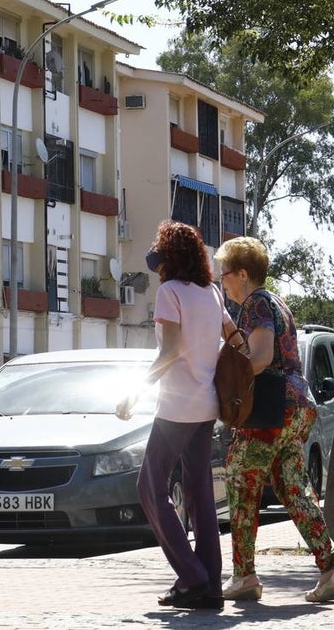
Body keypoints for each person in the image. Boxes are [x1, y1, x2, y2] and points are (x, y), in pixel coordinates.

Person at [213, 236, 334, 603]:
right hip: (297, 407)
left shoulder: (256, 303)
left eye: (224, 274)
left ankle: (244, 575)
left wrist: (227, 380)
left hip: (272, 410)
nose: (221, 282)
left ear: (242, 274)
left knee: (240, 478)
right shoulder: (276, 302)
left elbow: (260, 358)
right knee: (293, 488)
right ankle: (332, 568)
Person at [117, 221, 233, 611]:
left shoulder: (170, 292)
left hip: (177, 408)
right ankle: (211, 585)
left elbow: (168, 352)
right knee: (200, 493)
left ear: (171, 257)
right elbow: (233, 337)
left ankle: (192, 576)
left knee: (150, 486)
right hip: (207, 406)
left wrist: (134, 392)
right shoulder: (212, 292)